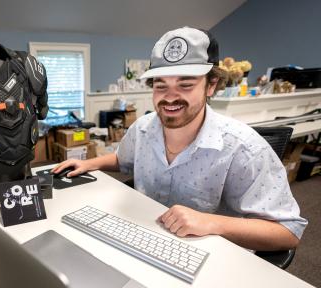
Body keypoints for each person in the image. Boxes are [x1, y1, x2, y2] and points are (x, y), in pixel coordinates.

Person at [52, 26, 307, 251]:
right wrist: (89, 164)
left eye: (185, 84)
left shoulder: (244, 149)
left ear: (211, 85)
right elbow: (122, 159)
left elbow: (288, 232)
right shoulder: (142, 129)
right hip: (144, 238)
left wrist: (211, 222)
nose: (170, 97)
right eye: (161, 85)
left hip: (210, 258)